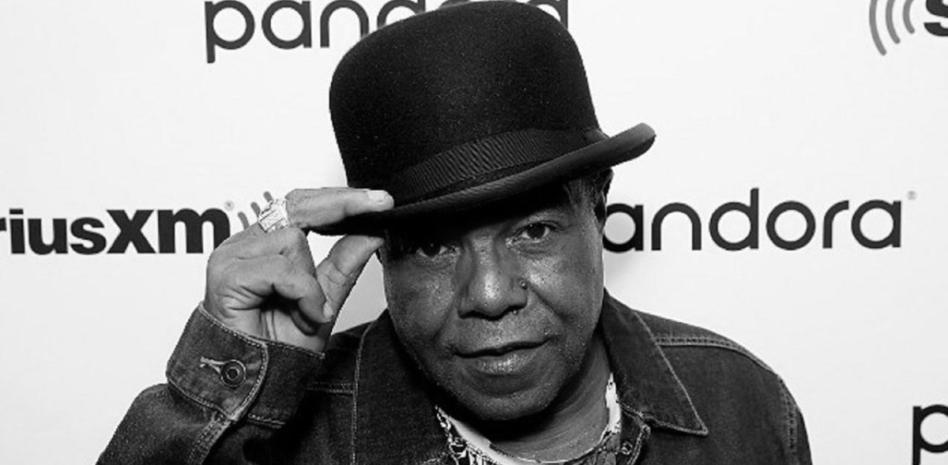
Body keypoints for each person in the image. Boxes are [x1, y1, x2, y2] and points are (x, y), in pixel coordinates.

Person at [100, 2, 811, 464]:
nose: (491, 294)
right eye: (434, 246)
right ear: (379, 253)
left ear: (597, 209)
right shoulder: (290, 439)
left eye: (534, 230)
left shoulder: (740, 403)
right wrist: (226, 396)